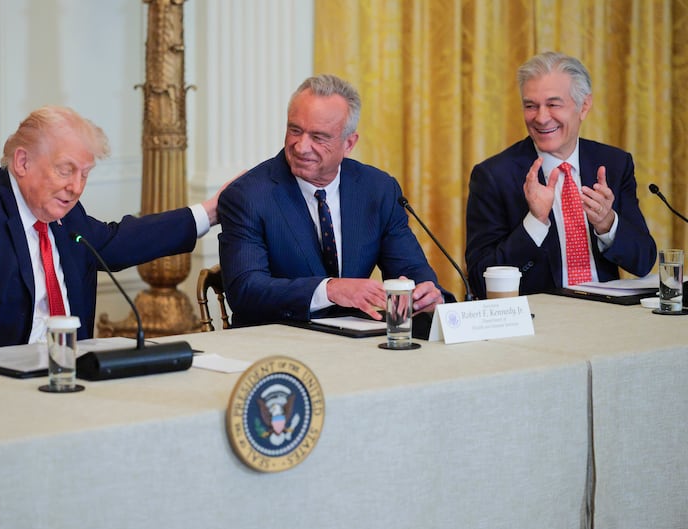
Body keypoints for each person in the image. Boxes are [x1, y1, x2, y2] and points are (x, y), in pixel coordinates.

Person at [0, 105, 228, 365]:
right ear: (22, 162)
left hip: (62, 384)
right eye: (66, 170)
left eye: (85, 174)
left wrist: (210, 212)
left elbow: (118, 242)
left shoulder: (64, 215)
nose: (76, 187)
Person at [217, 74, 452, 327]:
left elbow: (408, 268)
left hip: (357, 346)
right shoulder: (248, 196)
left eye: (318, 137)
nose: (301, 147)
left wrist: (425, 296)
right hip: (278, 345)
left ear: (349, 144)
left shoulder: (378, 189)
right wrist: (328, 290)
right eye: (295, 130)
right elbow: (246, 290)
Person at [465, 51, 656, 299]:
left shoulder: (614, 164)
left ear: (584, 106)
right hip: (541, 324)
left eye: (553, 104)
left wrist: (607, 223)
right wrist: (535, 222)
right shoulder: (494, 176)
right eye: (531, 106)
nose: (541, 118)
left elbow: (643, 262)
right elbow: (481, 281)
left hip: (607, 317)